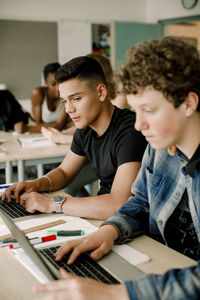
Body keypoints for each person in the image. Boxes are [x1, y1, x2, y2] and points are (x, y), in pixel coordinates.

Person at [33, 37, 200, 299]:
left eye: (149, 110)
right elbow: (141, 201)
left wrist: (118, 294)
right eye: (135, 110)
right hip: (157, 266)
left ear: (188, 103)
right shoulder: (158, 148)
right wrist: (110, 231)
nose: (138, 124)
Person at [1, 56, 147, 220]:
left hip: (129, 224)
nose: (69, 109)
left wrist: (52, 203)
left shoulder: (130, 130)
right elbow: (64, 172)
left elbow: (118, 204)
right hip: (101, 219)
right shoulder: (85, 128)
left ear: (100, 92)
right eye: (65, 100)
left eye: (76, 98)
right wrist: (35, 184)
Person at [14, 62, 72, 133]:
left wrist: (27, 129)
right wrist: (65, 124)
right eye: (53, 84)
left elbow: (59, 125)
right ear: (45, 83)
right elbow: (38, 123)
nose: (58, 88)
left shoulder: (66, 94)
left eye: (60, 82)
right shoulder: (38, 93)